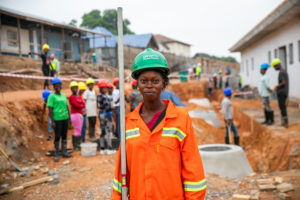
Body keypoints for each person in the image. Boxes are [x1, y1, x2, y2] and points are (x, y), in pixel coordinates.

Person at [111, 48, 206, 200]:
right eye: (144, 81)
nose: (149, 85)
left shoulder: (180, 119)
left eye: (155, 81)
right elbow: (121, 173)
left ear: (164, 83)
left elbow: (192, 169)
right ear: (138, 85)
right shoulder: (128, 122)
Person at [47, 77, 72, 162]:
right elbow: (50, 109)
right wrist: (52, 121)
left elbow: (67, 107)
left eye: (59, 85)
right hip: (57, 119)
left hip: (65, 118)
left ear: (61, 86)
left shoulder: (64, 96)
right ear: (53, 86)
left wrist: (69, 119)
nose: (58, 87)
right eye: (56, 85)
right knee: (57, 136)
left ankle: (64, 152)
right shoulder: (51, 96)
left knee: (64, 135)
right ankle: (57, 153)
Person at [97, 80, 114, 154]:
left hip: (102, 114)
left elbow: (99, 106)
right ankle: (109, 148)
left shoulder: (99, 95)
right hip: (106, 114)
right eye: (105, 88)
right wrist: (111, 108)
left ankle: (102, 148)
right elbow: (107, 107)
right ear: (102, 88)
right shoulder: (103, 96)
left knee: (103, 131)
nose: (107, 89)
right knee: (108, 131)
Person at [272, 58, 289, 128]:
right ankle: (284, 122)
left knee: (282, 108)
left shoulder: (281, 72)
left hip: (281, 93)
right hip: (284, 92)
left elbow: (283, 83)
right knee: (283, 107)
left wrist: (276, 86)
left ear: (277, 65)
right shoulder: (284, 71)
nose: (274, 68)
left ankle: (285, 123)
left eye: (274, 67)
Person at [69, 81, 85, 150]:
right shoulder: (71, 97)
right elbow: (76, 105)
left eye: (76, 88)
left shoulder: (79, 96)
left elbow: (83, 104)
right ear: (71, 89)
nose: (75, 89)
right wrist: (81, 105)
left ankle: (78, 144)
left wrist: (81, 105)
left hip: (80, 114)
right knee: (77, 130)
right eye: (73, 88)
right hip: (75, 115)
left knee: (79, 130)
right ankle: (76, 146)